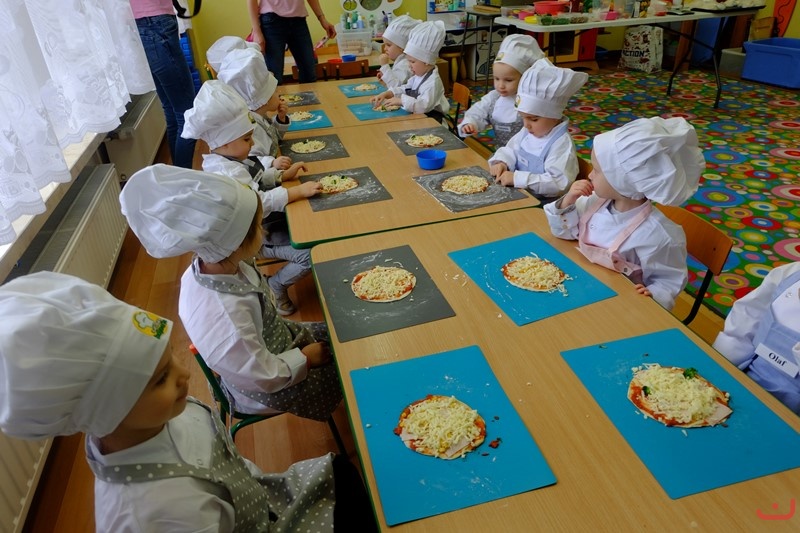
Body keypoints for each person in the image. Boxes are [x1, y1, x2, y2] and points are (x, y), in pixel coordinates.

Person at [0, 271, 375, 531]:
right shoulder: (157, 514)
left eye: (171, 358)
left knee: (351, 475)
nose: (184, 374)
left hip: (262, 502)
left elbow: (228, 468)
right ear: (110, 409)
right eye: (161, 378)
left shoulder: (158, 416)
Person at [120, 164, 342, 423]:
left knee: (341, 334)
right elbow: (262, 376)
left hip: (273, 344)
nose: (265, 231)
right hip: (266, 386)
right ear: (236, 242)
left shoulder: (215, 263)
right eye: (259, 226)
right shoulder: (227, 315)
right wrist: (305, 359)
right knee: (349, 367)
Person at [182, 80, 316, 315]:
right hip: (255, 240)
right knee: (310, 253)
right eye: (247, 139)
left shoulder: (231, 159)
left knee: (310, 223)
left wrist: (280, 175)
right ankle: (277, 285)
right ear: (225, 143)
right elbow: (257, 202)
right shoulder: (226, 173)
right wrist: (296, 192)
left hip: (262, 228)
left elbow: (258, 173)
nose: (253, 143)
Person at [544, 117, 705, 310]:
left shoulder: (659, 236)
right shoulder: (593, 203)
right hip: (578, 285)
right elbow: (563, 233)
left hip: (619, 307)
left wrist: (655, 294)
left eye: (597, 170)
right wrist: (567, 202)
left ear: (622, 181)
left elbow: (669, 280)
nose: (590, 175)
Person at [488, 59, 588, 203]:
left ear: (554, 116)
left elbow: (557, 184)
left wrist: (517, 178)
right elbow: (511, 150)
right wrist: (502, 162)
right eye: (523, 117)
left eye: (534, 119)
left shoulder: (561, 144)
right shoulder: (528, 132)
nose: (526, 125)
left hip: (544, 205)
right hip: (521, 195)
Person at [713, 262, 800, 414]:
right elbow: (746, 317)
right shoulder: (790, 274)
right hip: (744, 379)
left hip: (790, 414)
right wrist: (719, 368)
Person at [130, 0, 197, 169]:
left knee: (174, 112)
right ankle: (185, 178)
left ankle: (179, 176)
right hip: (155, 22)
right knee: (188, 114)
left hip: (142, 23)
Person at [458, 34, 544, 146]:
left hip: (527, 152)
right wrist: (470, 123)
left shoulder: (532, 100)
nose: (501, 86)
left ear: (525, 78)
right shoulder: (494, 98)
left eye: (508, 80)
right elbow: (478, 112)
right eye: (496, 78)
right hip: (502, 152)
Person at [370, 21, 449, 118]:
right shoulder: (419, 76)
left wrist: (401, 101)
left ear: (426, 61)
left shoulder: (433, 83)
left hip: (433, 120)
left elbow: (423, 106)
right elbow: (406, 88)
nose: (409, 65)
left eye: (412, 62)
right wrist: (388, 93)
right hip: (420, 117)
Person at [247, 0, 336, 84]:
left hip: (299, 21)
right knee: (274, 79)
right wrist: (256, 30)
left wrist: (322, 19)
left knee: (309, 74)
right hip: (272, 21)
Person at [376, 14, 419, 88]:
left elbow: (395, 86)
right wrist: (385, 77)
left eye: (388, 45)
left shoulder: (405, 64)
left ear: (402, 47)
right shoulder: (400, 61)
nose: (385, 48)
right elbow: (396, 81)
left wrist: (385, 66)